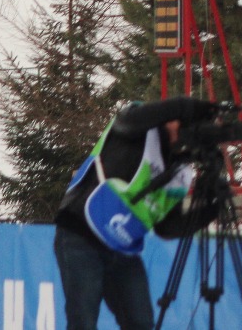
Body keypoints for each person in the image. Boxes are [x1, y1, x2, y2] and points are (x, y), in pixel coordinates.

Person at [53, 97, 224, 330]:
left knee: (141, 322)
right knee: (83, 322)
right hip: (80, 235)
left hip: (121, 249)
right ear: (173, 119)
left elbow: (167, 227)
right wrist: (188, 106)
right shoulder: (141, 128)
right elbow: (126, 121)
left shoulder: (179, 171)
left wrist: (213, 207)